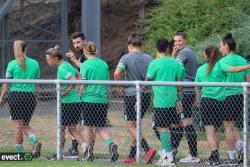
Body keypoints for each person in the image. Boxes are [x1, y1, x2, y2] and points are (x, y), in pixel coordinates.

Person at [195, 45, 250, 166]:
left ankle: (215, 156)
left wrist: (198, 100)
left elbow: (197, 87)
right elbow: (234, 70)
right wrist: (248, 66)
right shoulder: (220, 65)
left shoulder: (200, 69)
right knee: (218, 130)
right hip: (220, 103)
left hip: (207, 102)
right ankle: (221, 154)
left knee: (209, 131)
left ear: (205, 55)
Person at [114, 32, 156, 164]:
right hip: (145, 95)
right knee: (135, 125)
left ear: (129, 45)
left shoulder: (126, 58)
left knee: (130, 124)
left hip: (132, 94)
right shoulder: (149, 58)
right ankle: (132, 156)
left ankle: (147, 149)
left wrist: (121, 86)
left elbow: (117, 73)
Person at [146, 38, 184, 166]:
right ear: (168, 48)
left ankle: (168, 155)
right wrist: (179, 100)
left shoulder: (154, 64)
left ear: (157, 49)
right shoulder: (177, 64)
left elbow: (147, 81)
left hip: (160, 102)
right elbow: (179, 85)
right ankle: (169, 151)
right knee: (173, 126)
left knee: (162, 128)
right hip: (173, 100)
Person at [0, 40, 42, 158]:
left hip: (16, 96)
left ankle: (20, 152)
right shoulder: (35, 63)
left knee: (18, 125)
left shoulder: (12, 64)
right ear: (26, 49)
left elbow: (6, 84)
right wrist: (37, 97)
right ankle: (35, 141)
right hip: (30, 97)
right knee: (24, 124)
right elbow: (37, 84)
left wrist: (1, 97)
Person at [46, 45, 88, 159]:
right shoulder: (67, 64)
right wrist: (78, 90)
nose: (48, 62)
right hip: (75, 102)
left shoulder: (62, 68)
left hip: (67, 103)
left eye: (49, 60)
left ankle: (59, 154)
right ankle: (86, 149)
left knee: (62, 128)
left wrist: (65, 91)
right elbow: (79, 75)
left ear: (55, 59)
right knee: (72, 129)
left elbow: (74, 80)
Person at [79, 41, 119, 162]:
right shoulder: (103, 64)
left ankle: (88, 152)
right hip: (102, 99)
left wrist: (79, 95)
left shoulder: (85, 65)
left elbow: (82, 84)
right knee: (100, 126)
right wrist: (108, 98)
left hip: (89, 99)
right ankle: (111, 144)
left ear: (85, 52)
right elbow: (108, 83)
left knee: (87, 126)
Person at [219, 33, 250, 165]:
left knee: (228, 127)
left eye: (221, 46)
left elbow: (234, 70)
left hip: (228, 97)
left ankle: (231, 157)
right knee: (232, 125)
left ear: (226, 46)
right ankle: (242, 150)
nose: (220, 49)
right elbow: (248, 80)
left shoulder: (222, 61)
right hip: (241, 96)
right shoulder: (243, 60)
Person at [171, 31, 200, 163]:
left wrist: (172, 54)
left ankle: (194, 155)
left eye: (179, 41)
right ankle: (172, 151)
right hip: (189, 91)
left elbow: (171, 67)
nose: (177, 44)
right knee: (179, 122)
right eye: (175, 41)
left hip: (186, 92)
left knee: (186, 122)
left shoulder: (184, 53)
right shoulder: (190, 52)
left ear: (185, 40)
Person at [66, 32, 87, 156]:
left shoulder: (86, 56)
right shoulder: (81, 56)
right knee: (77, 124)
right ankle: (75, 148)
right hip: (81, 93)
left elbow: (86, 70)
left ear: (84, 41)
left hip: (86, 94)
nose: (76, 45)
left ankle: (80, 149)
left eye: (78, 42)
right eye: (74, 43)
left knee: (79, 124)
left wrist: (80, 91)